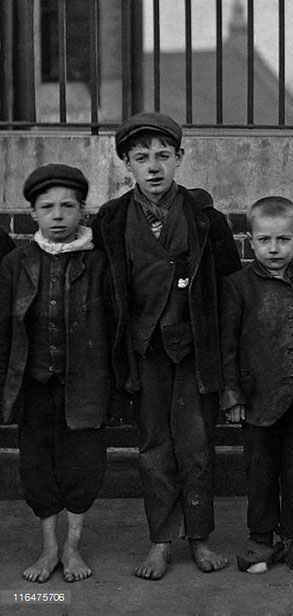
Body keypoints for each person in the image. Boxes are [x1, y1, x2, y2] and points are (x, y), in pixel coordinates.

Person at [92, 112, 241, 580]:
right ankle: (160, 540)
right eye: (141, 158)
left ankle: (199, 538)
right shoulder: (112, 221)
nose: (153, 167)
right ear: (126, 166)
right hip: (144, 353)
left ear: (179, 159)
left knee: (196, 445)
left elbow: (229, 291)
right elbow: (106, 292)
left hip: (195, 351)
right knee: (154, 446)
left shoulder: (205, 219)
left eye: (162, 156)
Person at [0, 165, 112, 583]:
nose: (59, 215)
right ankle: (49, 548)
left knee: (83, 466)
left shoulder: (98, 263)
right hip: (33, 385)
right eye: (48, 207)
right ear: (33, 214)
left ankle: (73, 548)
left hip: (83, 385)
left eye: (68, 205)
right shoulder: (16, 263)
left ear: (83, 210)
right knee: (37, 467)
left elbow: (113, 324)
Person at [221, 196, 293, 575]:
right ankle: (260, 544)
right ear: (249, 240)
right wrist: (232, 395)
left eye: (283, 240)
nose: (273, 249)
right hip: (257, 399)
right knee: (260, 473)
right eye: (265, 240)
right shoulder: (238, 287)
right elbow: (228, 345)